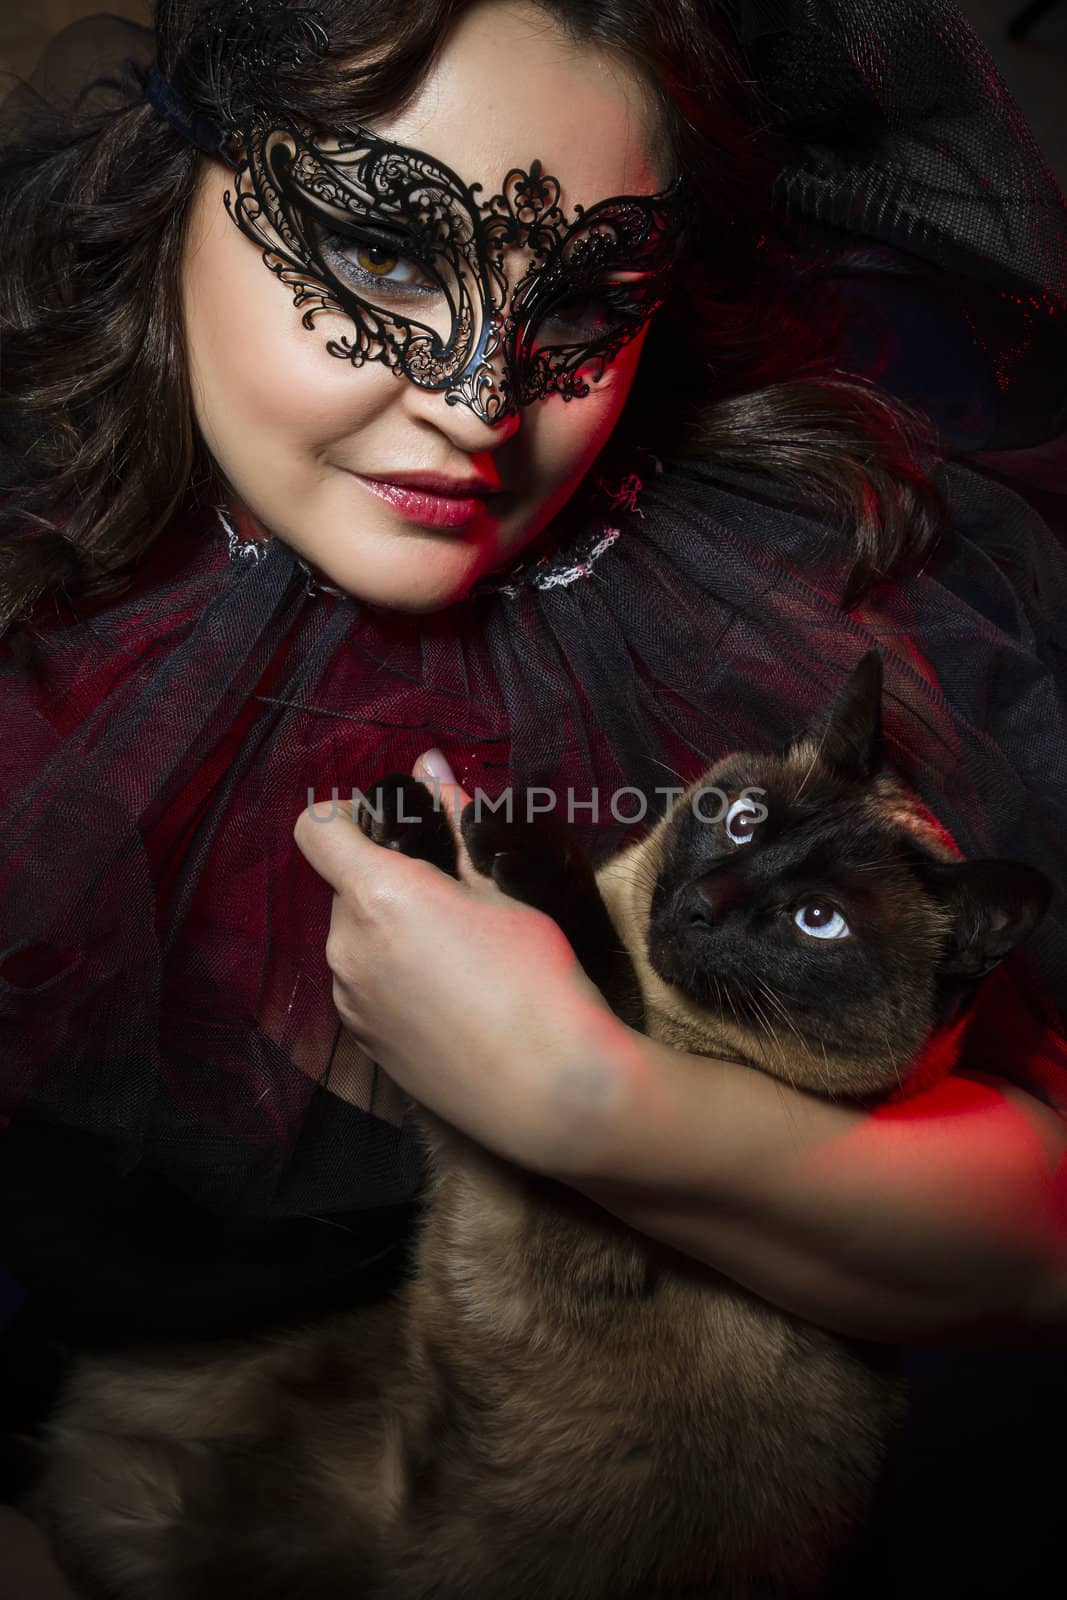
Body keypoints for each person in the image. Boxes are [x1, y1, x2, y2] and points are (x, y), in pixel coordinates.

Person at [1, 0, 1065, 1594]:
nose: (483, 403)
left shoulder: (776, 640)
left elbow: (1044, 1238)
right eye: (383, 252)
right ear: (174, 187)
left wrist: (598, 1110)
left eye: (584, 297)